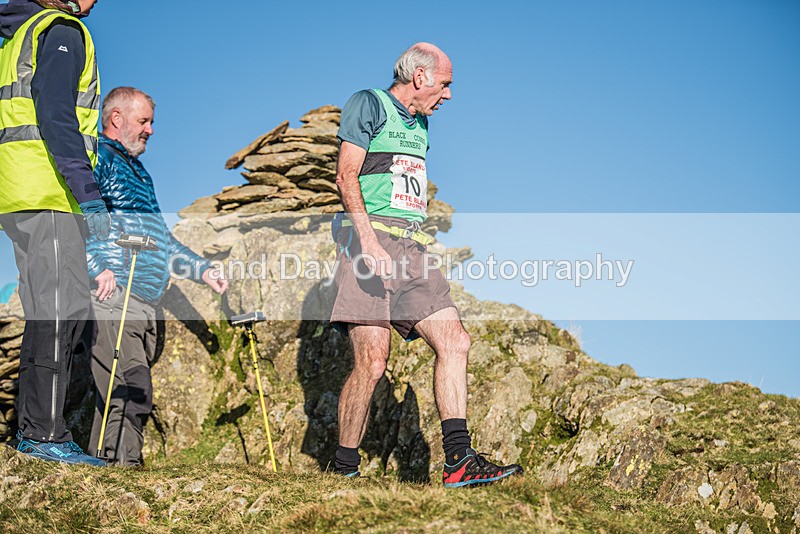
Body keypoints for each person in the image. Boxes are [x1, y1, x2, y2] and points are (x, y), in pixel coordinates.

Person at [330, 43, 523, 486]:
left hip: (412, 250)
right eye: (446, 83)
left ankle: (458, 461)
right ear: (420, 77)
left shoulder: (421, 125)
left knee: (455, 341)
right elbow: (346, 176)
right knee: (373, 362)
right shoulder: (369, 104)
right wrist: (369, 243)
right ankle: (343, 470)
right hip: (367, 244)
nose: (449, 94)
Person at [85, 86, 228, 466]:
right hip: (113, 294)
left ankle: (102, 472)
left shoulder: (139, 172)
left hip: (143, 302)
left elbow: (161, 240)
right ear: (116, 118)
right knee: (131, 387)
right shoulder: (97, 158)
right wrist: (96, 266)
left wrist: (202, 270)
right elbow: (76, 215)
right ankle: (124, 472)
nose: (150, 130)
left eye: (151, 122)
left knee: (119, 393)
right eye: (143, 121)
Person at [0, 0, 109, 466]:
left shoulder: (16, 35)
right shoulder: (61, 29)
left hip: (16, 191)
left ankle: (35, 430)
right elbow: (57, 115)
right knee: (62, 307)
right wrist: (87, 191)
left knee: (48, 307)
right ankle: (44, 436)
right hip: (49, 189)